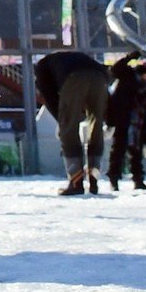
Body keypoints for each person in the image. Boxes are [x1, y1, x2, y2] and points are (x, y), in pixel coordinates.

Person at [33, 50, 110, 195]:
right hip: (100, 76)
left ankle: (76, 182)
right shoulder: (73, 58)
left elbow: (49, 97)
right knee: (96, 127)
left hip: (74, 78)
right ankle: (94, 181)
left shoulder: (41, 68)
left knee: (69, 132)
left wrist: (62, 122)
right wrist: (110, 120)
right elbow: (107, 101)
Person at [105, 53, 146, 192]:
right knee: (118, 150)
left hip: (137, 123)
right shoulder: (127, 75)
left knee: (136, 152)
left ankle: (138, 180)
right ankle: (114, 180)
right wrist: (129, 57)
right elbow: (115, 69)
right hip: (122, 118)